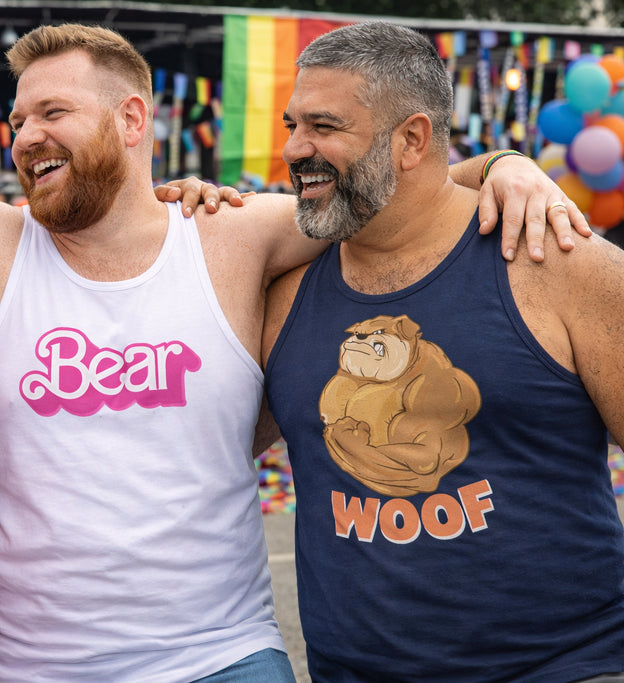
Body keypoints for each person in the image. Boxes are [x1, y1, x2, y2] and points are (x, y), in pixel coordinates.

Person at [0, 26, 590, 681]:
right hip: (28, 665)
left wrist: (504, 166)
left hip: (224, 655)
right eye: (15, 119)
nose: (23, 135)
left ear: (133, 121)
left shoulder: (237, 235)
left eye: (51, 111)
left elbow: (388, 184)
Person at [262, 21, 624, 680]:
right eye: (291, 124)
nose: (293, 148)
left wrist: (507, 163)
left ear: (411, 139)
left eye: (323, 126)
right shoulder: (281, 293)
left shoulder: (559, 262)